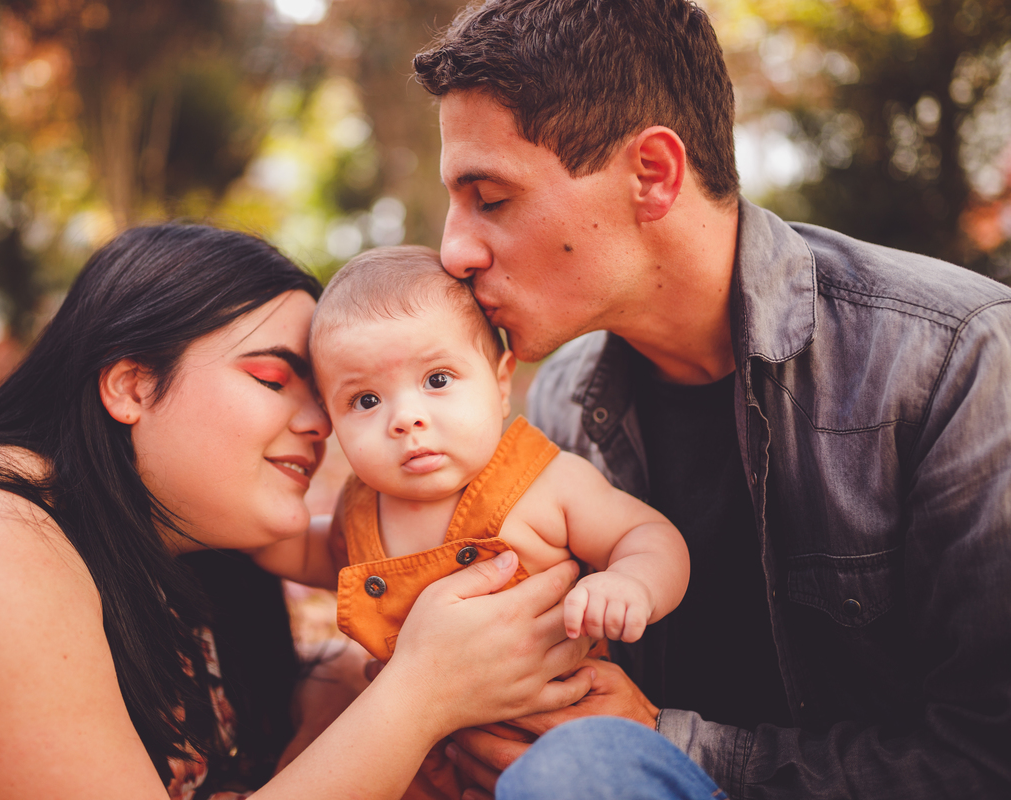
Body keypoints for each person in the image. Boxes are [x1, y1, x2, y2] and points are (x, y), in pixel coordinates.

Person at [411, 0, 1011, 798]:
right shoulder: (561, 400)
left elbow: (988, 757)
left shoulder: (953, 359)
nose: (454, 249)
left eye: (490, 197)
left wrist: (670, 747)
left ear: (652, 175)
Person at [0, 223, 596, 800]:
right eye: (271, 378)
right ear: (131, 387)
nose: (322, 422)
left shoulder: (171, 548)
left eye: (326, 394)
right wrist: (420, 694)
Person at [249, 244, 689, 798]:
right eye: (365, 400)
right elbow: (309, 552)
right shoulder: (359, 510)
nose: (407, 419)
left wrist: (630, 583)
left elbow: (648, 535)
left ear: (501, 382)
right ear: (332, 419)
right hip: (419, 768)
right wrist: (249, 531)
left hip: (555, 741)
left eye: (437, 380)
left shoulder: (547, 482)